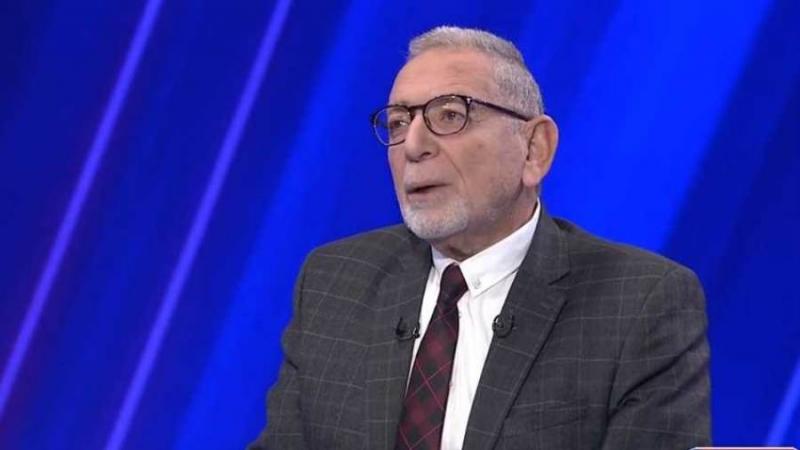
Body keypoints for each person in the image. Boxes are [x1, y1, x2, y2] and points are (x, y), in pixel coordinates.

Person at [249, 26, 710, 450]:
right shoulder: (335, 281)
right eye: (398, 123)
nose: (413, 146)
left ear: (534, 149)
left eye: (450, 115)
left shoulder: (641, 302)